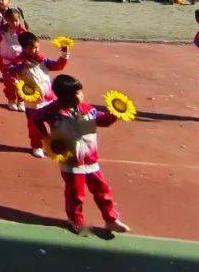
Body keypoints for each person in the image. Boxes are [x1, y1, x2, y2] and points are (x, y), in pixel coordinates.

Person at [32, 74, 129, 235]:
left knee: (102, 190)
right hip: (71, 161)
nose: (81, 95)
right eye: (76, 93)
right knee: (75, 193)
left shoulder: (88, 109)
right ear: (64, 96)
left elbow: (103, 121)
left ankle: (110, 219)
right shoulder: (53, 112)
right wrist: (46, 137)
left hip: (91, 160)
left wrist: (115, 113)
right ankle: (75, 219)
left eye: (80, 92)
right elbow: (36, 118)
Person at [6, 32, 69, 156]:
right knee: (35, 127)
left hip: (49, 100)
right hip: (33, 103)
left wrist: (64, 54)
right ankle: (37, 146)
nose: (36, 50)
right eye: (33, 48)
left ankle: (56, 145)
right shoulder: (19, 62)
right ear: (24, 48)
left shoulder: (42, 60)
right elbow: (9, 72)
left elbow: (58, 66)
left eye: (38, 47)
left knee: (56, 124)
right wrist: (20, 73)